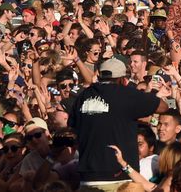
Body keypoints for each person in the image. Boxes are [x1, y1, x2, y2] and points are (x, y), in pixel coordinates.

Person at [69, 57, 168, 190]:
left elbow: (72, 127)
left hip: (88, 178)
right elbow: (163, 107)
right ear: (122, 79)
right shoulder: (126, 94)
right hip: (120, 178)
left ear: (99, 75)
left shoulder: (82, 96)